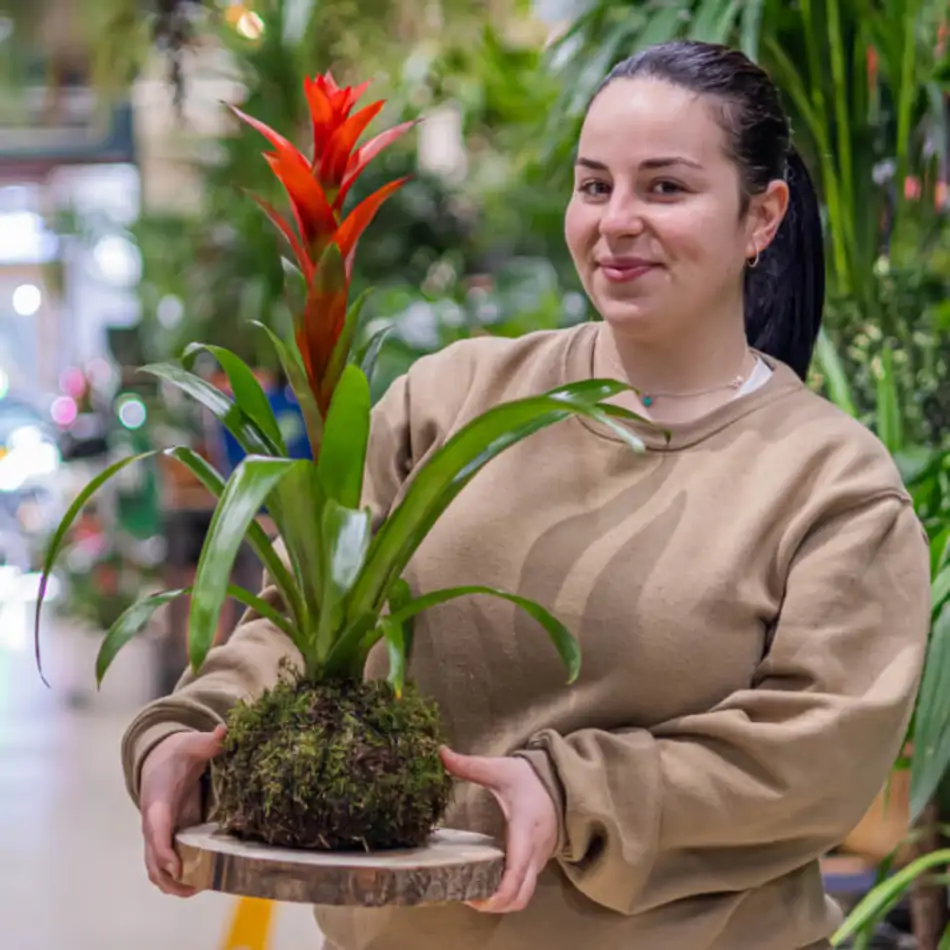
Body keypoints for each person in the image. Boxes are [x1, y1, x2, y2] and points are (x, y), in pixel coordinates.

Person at [120, 40, 931, 950]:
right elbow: (299, 626)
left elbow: (816, 758)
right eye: (595, 186)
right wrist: (193, 730)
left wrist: (572, 792)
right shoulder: (453, 398)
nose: (617, 221)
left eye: (665, 188)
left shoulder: (830, 482)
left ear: (762, 216)